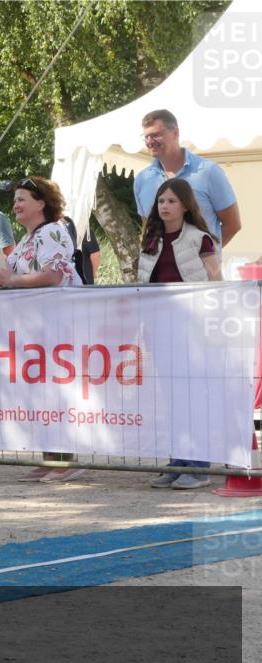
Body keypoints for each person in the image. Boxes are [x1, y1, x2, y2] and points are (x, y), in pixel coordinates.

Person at [0, 176, 84, 484]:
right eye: (14, 200)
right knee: (40, 392)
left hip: (56, 324)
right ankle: (50, 455)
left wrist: (11, 280)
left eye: (22, 199)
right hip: (33, 328)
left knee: (57, 391)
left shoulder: (52, 232)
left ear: (41, 203)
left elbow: (53, 275)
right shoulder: (27, 241)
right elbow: (13, 276)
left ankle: (67, 460)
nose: (15, 205)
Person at [138, 178, 222, 489]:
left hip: (192, 327)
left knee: (192, 396)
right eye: (161, 201)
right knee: (172, 396)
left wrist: (210, 322)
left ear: (185, 205)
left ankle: (199, 466)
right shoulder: (150, 239)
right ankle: (177, 461)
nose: (165, 206)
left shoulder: (200, 239)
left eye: (172, 201)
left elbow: (215, 278)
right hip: (160, 328)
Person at [134, 109, 241, 254]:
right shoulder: (142, 180)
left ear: (175, 133)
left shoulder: (208, 172)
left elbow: (233, 224)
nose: (149, 142)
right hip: (160, 272)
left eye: (155, 135)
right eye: (146, 137)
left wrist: (206, 255)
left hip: (201, 273)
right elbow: (148, 228)